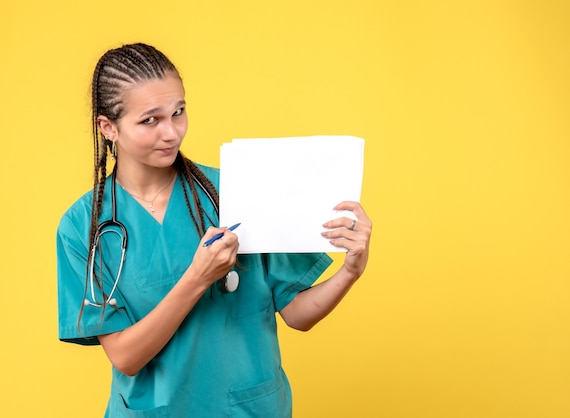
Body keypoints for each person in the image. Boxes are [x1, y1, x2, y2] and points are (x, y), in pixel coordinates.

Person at [56, 42, 372, 417]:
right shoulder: (83, 227)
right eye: (150, 120)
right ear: (108, 127)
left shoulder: (235, 192)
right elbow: (125, 356)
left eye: (179, 112)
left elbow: (297, 315)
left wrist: (351, 271)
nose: (172, 132)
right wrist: (198, 277)